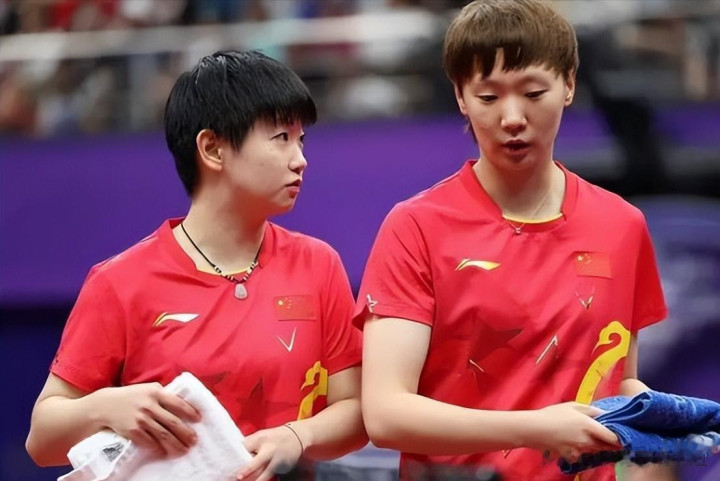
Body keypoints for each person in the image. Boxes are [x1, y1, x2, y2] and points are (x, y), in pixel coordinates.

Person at [353, 1, 667, 481]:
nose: (513, 117)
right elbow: (386, 414)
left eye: (533, 92)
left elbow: (616, 378)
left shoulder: (622, 225)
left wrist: (657, 418)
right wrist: (536, 429)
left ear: (569, 84)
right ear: (460, 97)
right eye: (488, 97)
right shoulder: (415, 227)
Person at [25, 50, 367, 481]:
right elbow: (42, 440)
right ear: (212, 148)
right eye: (281, 137)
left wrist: (298, 436)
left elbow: (355, 410)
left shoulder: (318, 264)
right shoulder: (119, 282)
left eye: (301, 140)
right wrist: (107, 407)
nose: (300, 159)